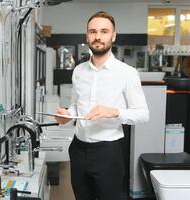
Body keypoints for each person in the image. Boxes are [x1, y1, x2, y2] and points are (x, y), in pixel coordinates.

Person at [54, 11, 149, 200]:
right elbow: (75, 105)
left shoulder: (127, 73)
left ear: (113, 36)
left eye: (104, 31)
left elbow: (143, 114)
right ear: (87, 36)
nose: (98, 37)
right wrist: (66, 115)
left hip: (109, 152)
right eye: (93, 31)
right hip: (78, 149)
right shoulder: (79, 71)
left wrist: (113, 112)